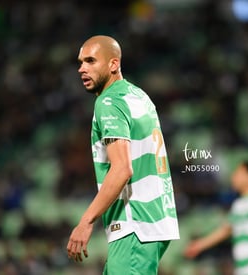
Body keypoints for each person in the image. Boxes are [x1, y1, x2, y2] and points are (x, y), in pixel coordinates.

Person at [66, 35, 180, 274]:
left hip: (134, 224)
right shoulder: (139, 96)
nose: (81, 68)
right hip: (155, 221)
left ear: (113, 64)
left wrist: (86, 222)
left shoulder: (109, 102)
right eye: (81, 62)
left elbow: (122, 169)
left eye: (90, 61)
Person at [184, 161, 248, 275]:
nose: (234, 177)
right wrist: (199, 245)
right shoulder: (238, 205)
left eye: (238, 173)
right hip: (242, 267)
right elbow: (225, 230)